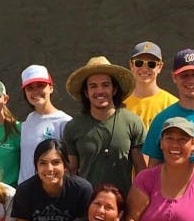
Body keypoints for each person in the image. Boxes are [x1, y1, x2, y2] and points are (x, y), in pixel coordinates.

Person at [62, 55, 146, 195]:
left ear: (114, 89)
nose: (99, 91)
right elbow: (72, 172)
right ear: (86, 92)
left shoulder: (132, 122)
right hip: (86, 207)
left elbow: (142, 172)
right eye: (93, 86)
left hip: (122, 208)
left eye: (105, 85)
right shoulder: (73, 127)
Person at [17, 65, 70, 185]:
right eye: (30, 88)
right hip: (25, 195)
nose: (35, 91)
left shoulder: (64, 122)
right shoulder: (27, 122)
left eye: (40, 85)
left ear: (51, 88)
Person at [122, 41, 177, 130]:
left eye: (151, 64)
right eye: (139, 63)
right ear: (131, 65)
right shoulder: (120, 103)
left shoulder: (172, 105)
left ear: (160, 67)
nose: (144, 69)